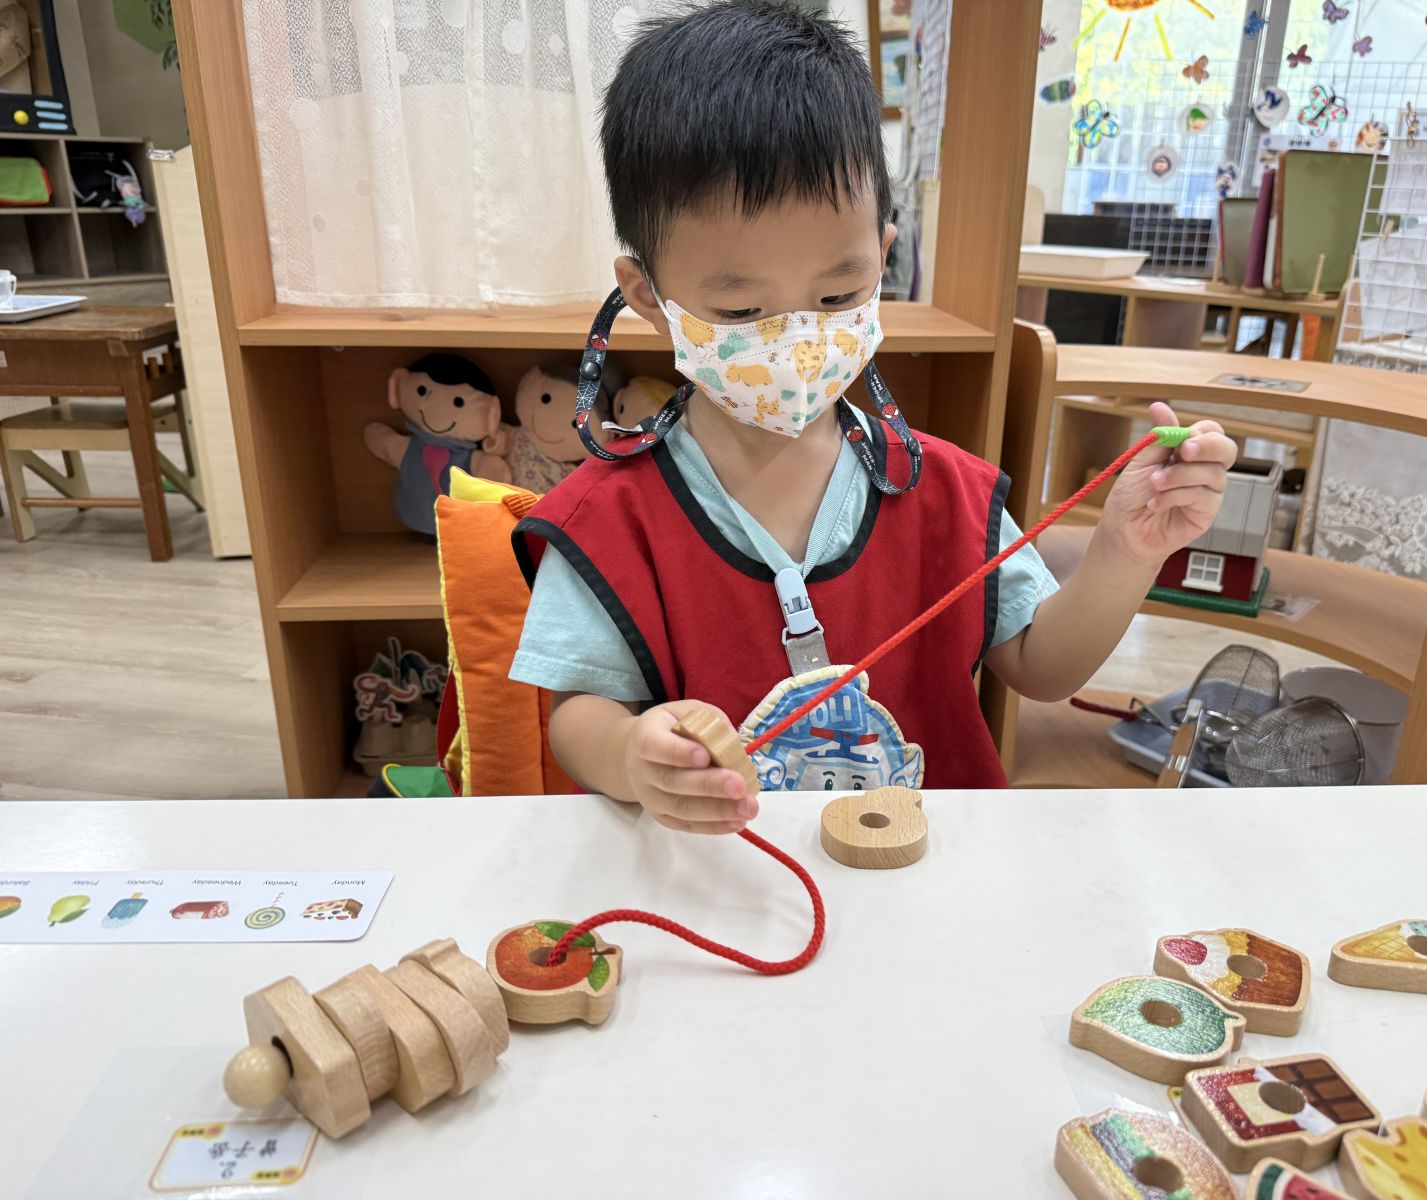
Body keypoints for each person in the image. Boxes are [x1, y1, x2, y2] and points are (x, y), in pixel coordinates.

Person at [509, 0, 1236, 833]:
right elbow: (577, 715)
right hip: (722, 882)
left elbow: (1043, 667)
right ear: (646, 294)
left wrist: (1127, 550)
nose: (797, 338)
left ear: (882, 256)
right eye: (741, 311)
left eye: (838, 295)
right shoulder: (608, 520)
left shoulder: (945, 494)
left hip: (920, 881)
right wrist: (632, 754)